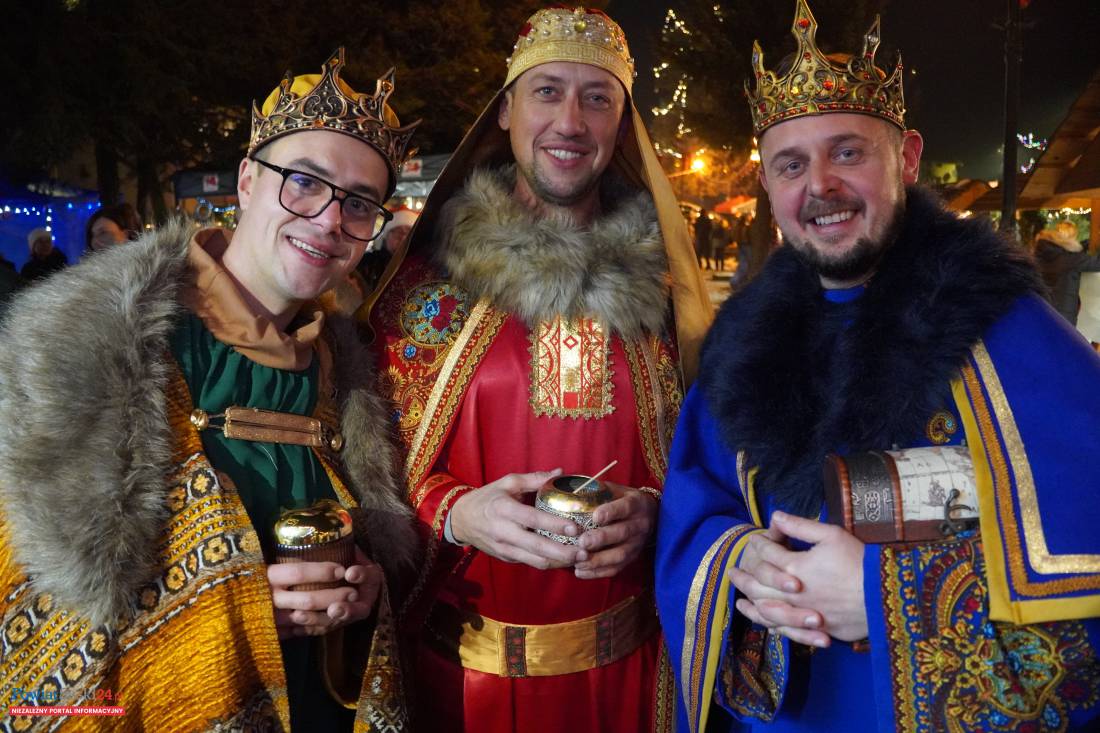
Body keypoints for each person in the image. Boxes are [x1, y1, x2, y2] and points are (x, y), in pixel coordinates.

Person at [655, 2, 1100, 732]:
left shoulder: (1010, 331)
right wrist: (737, 557)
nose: (820, 186)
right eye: (791, 165)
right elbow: (695, 506)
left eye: (848, 153)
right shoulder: (740, 347)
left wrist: (881, 593)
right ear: (767, 183)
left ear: (908, 158)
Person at [0, 50, 420, 731]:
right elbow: (40, 652)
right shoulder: (88, 347)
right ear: (248, 181)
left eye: (359, 203)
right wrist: (234, 614)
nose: (329, 220)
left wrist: (366, 585)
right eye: (304, 183)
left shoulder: (352, 375)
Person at [365, 7, 712, 732]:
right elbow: (366, 471)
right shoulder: (424, 292)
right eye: (547, 91)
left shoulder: (670, 307)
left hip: (631, 687)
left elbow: (714, 471)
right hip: (460, 692)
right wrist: (454, 512)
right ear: (505, 111)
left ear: (622, 125)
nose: (570, 122)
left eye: (597, 98)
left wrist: (656, 511)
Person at [1034, 219, 1100, 325]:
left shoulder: (1041, 255)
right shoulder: (1071, 259)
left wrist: (1085, 244)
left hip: (1041, 312)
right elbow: (1097, 263)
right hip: (1063, 319)